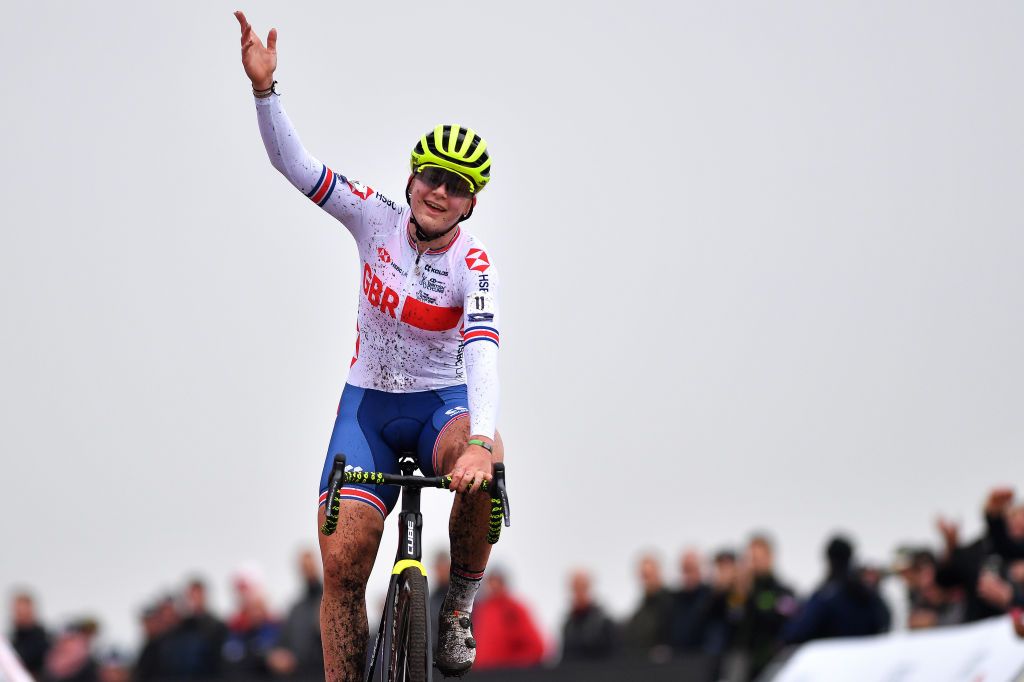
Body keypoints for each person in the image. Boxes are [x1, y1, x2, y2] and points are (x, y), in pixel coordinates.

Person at [234, 12, 505, 680]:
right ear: (412, 178)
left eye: (456, 187)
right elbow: (294, 166)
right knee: (345, 563)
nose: (440, 192)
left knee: (488, 464)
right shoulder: (372, 216)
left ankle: (459, 606)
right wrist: (266, 93)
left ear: (470, 204)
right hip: (369, 410)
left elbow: (481, 350)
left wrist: (480, 440)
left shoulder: (475, 263)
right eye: (431, 177)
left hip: (442, 405)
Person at [782, 535, 891, 644]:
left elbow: (798, 632)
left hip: (831, 657)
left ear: (829, 558)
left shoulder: (826, 595)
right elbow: (884, 623)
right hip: (864, 656)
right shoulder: (868, 594)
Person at [471, 570, 545, 670]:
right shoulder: (481, 610)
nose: (493, 586)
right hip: (481, 674)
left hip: (506, 675)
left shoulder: (513, 609)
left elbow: (536, 647)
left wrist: (511, 667)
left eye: (497, 581)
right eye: (490, 582)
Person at [267, 550, 325, 677]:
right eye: (304, 567)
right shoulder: (296, 608)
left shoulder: (329, 604)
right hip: (299, 675)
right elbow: (284, 642)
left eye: (310, 566)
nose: (308, 571)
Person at [621, 553, 673, 660]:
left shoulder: (672, 604)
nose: (647, 580)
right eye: (644, 576)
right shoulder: (639, 613)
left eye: (649, 575)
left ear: (658, 573)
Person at [560, 569, 617, 662]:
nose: (579, 593)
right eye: (575, 589)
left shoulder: (604, 623)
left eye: (582, 588)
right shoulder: (568, 626)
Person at [669, 549, 712, 653]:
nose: (688, 575)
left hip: (704, 659)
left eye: (691, 569)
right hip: (679, 659)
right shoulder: (674, 600)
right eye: (685, 570)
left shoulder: (711, 598)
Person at [8, 590, 49, 678]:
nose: (20, 616)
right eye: (18, 612)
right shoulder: (12, 640)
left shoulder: (44, 640)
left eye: (23, 612)